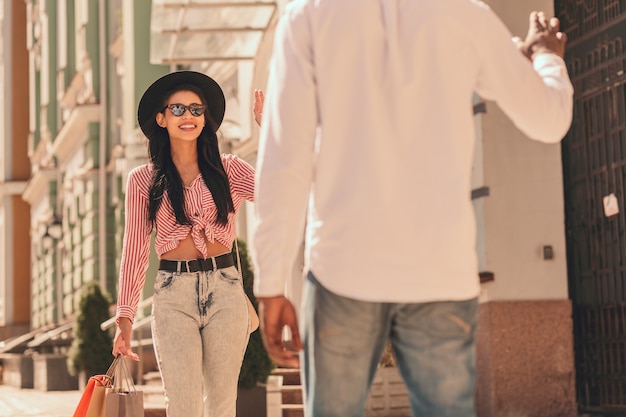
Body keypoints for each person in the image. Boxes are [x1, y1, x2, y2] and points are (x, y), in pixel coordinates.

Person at [252, 1, 573, 416]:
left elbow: (284, 160)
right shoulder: (463, 14)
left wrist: (271, 281)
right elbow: (548, 119)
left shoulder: (308, 15)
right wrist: (545, 56)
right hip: (440, 272)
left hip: (343, 269)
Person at [112, 70, 262, 417]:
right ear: (161, 118)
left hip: (226, 292)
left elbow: (279, 193)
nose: (189, 117)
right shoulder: (143, 181)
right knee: (183, 406)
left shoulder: (229, 170)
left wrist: (270, 132)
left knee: (222, 404)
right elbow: (134, 251)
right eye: (178, 109)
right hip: (173, 294)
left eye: (196, 109)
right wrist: (125, 320)